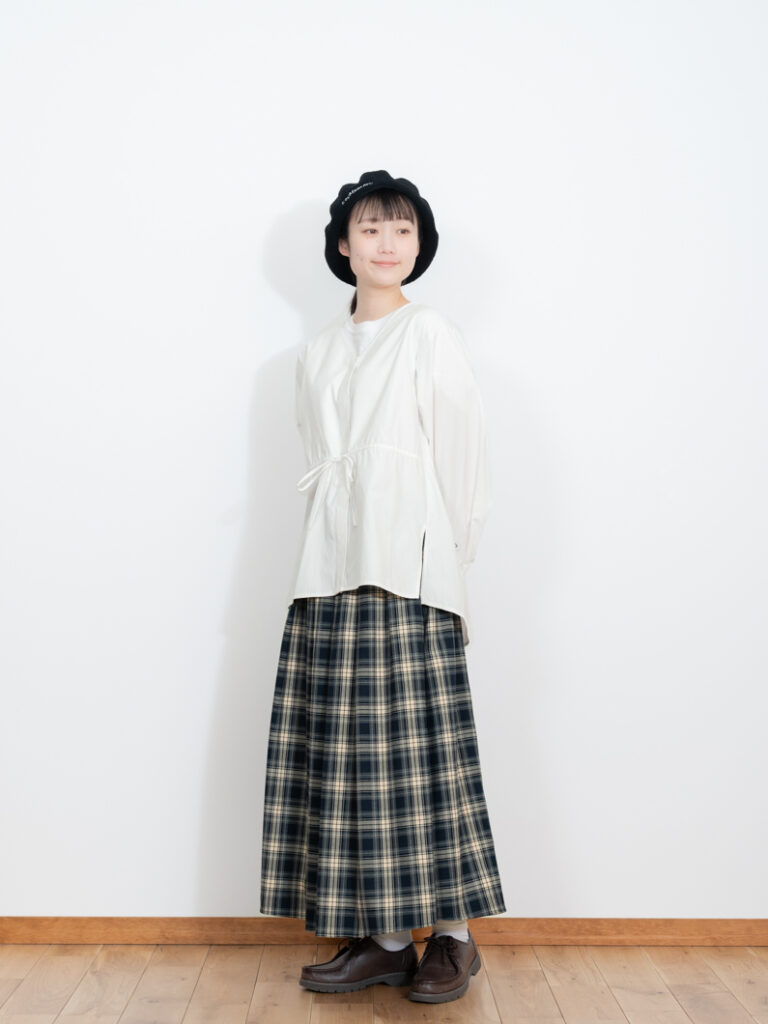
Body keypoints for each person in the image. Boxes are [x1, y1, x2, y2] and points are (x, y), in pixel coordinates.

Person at [260, 170, 506, 1004]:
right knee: (356, 761)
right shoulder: (318, 352)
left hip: (411, 569)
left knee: (426, 755)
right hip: (331, 569)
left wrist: (449, 567)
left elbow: (463, 458)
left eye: (403, 230)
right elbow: (322, 461)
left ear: (419, 246)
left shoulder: (429, 333)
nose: (387, 243)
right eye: (370, 229)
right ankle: (391, 938)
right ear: (343, 245)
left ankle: (455, 938)